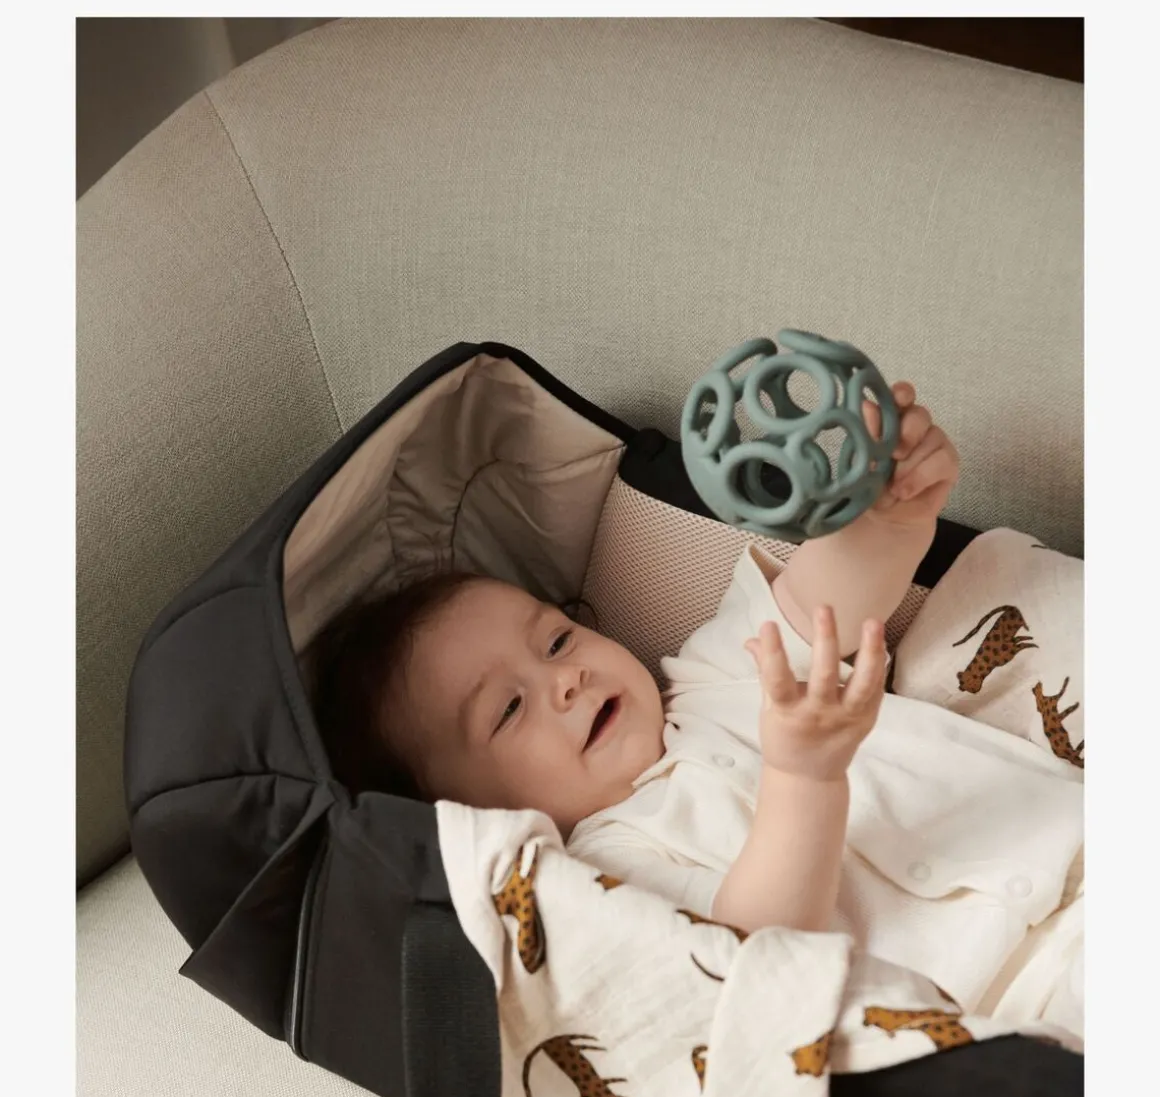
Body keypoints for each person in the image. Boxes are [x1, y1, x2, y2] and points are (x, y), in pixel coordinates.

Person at [314, 384, 1083, 1035]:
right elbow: (751, 952)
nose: (565, 680)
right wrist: (802, 779)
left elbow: (823, 604)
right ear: (479, 815)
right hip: (1017, 1007)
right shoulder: (600, 878)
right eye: (510, 708)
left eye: (555, 639)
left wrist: (886, 517)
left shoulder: (712, 677)